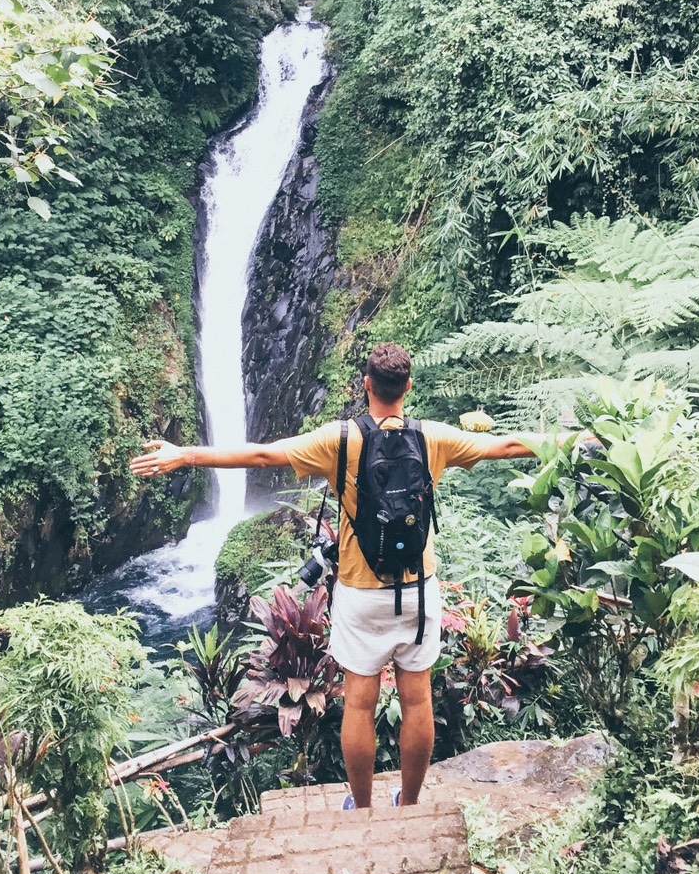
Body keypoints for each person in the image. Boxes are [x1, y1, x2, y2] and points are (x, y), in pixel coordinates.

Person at [130, 341, 558, 811]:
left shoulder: (339, 440)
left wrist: (184, 456)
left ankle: (362, 806)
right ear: (408, 388)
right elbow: (510, 445)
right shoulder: (432, 437)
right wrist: (587, 439)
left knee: (359, 703)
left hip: (360, 591)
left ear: (366, 385)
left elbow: (263, 457)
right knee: (418, 702)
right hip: (418, 590)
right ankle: (410, 804)